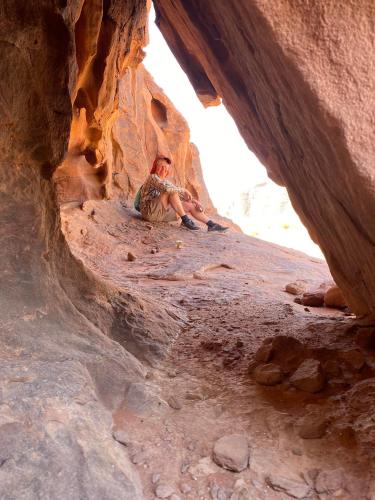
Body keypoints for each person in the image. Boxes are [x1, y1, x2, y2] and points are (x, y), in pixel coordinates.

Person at [137, 156, 228, 232]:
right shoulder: (152, 177)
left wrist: (194, 202)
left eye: (166, 168)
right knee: (172, 192)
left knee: (189, 205)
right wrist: (183, 189)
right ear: (155, 167)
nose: (163, 169)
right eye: (161, 166)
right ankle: (185, 220)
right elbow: (168, 189)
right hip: (149, 213)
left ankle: (212, 225)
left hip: (160, 215)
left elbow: (179, 195)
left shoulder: (166, 182)